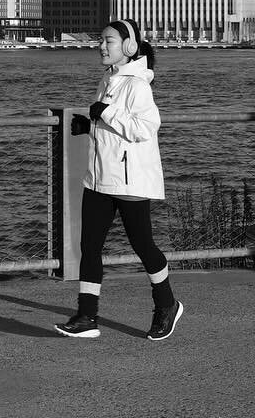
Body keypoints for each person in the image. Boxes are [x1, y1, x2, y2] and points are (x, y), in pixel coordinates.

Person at [55, 19, 184, 341]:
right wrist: (91, 125)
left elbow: (146, 128)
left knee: (143, 246)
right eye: (101, 40)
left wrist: (106, 114)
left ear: (128, 47)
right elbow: (113, 124)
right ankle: (87, 316)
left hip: (129, 181)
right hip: (99, 177)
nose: (101, 46)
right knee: (90, 247)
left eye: (108, 41)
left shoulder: (137, 85)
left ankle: (166, 304)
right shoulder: (108, 79)